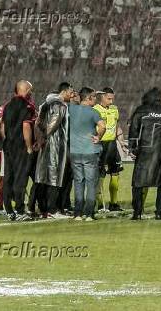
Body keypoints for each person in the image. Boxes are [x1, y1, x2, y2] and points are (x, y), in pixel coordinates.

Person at [128, 87, 161, 220]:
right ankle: (160, 212)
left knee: (138, 184)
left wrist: (133, 149)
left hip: (144, 152)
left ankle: (137, 212)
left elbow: (133, 131)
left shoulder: (140, 110)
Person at [34, 82, 74, 219]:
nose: (72, 95)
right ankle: (52, 210)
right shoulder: (60, 105)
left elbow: (38, 122)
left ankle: (42, 209)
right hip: (56, 145)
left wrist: (39, 139)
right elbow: (54, 123)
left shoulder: (45, 104)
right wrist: (45, 136)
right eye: (71, 92)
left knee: (42, 176)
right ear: (65, 91)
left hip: (45, 144)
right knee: (55, 176)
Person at [0, 80, 36, 221]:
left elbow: (2, 128)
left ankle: (8, 210)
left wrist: (9, 139)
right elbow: (26, 127)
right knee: (20, 179)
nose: (31, 93)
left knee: (8, 177)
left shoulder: (7, 105)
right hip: (21, 146)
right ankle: (20, 211)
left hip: (8, 145)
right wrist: (28, 146)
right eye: (30, 90)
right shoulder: (27, 106)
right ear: (26, 90)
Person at [70, 87, 106, 221]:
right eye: (94, 97)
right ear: (89, 98)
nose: (95, 100)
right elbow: (102, 126)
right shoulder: (93, 112)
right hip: (90, 151)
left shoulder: (71, 109)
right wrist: (98, 137)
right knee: (91, 183)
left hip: (75, 151)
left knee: (78, 182)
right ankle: (89, 213)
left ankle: (78, 213)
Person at [93, 87, 124, 212]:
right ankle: (100, 204)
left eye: (112, 99)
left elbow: (117, 127)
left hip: (112, 145)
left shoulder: (114, 109)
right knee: (100, 175)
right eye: (108, 98)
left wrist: (121, 143)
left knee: (115, 173)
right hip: (100, 145)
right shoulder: (95, 110)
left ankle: (114, 203)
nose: (111, 101)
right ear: (102, 97)